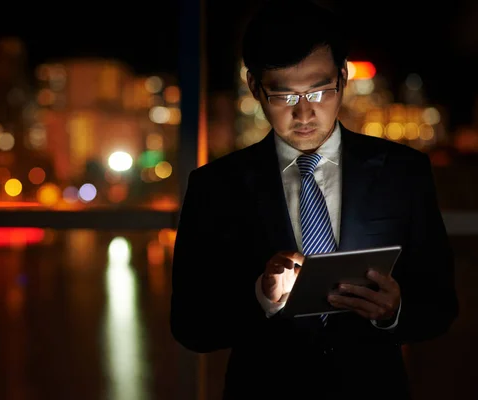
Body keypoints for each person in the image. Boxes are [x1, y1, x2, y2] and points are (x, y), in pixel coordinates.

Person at [169, 1, 459, 399]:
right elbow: (190, 325)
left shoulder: (403, 172)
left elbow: (441, 305)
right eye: (284, 96)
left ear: (343, 77)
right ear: (255, 87)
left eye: (320, 90)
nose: (304, 113)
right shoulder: (215, 186)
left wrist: (394, 311)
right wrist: (260, 296)